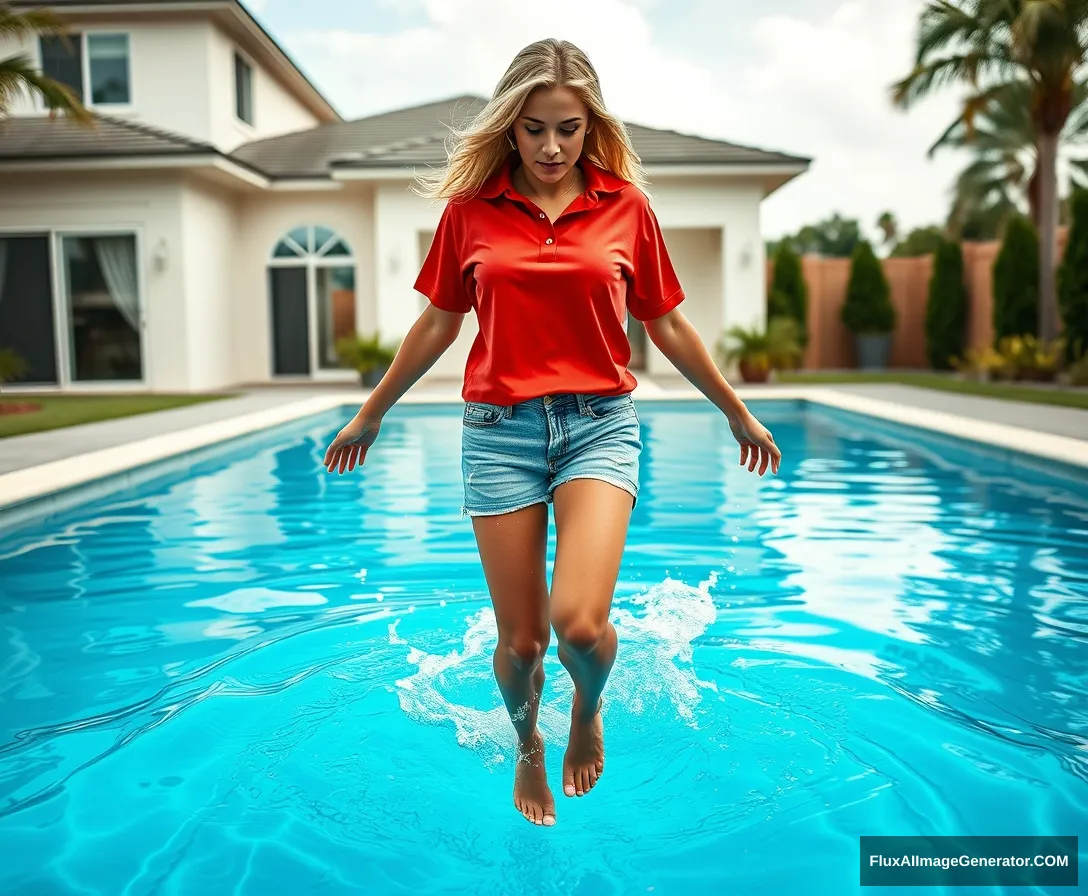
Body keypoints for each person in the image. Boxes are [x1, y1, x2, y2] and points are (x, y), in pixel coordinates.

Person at [323, 38, 782, 828]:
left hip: (599, 426)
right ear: (510, 126)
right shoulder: (471, 213)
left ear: (590, 125)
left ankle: (586, 710)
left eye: (567, 128)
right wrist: (373, 409)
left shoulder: (626, 208)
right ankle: (528, 741)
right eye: (533, 128)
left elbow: (666, 323)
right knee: (523, 646)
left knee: (578, 627)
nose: (550, 146)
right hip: (498, 434)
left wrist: (734, 408)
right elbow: (438, 321)